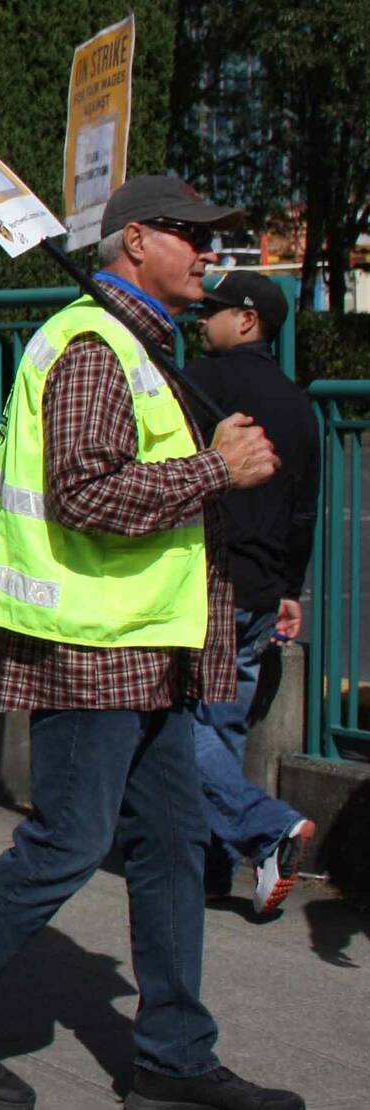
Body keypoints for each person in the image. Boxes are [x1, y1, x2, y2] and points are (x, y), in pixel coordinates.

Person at [0, 176, 300, 1110]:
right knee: (69, 842)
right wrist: (214, 468)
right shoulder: (93, 345)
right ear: (135, 240)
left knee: (175, 844)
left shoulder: (141, 345)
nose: (208, 253)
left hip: (145, 644)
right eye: (191, 235)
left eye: (212, 237)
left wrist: (205, 461)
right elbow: (85, 494)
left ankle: (174, 1059)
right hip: (87, 645)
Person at [183, 271, 321, 916]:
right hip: (265, 589)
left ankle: (267, 828)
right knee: (224, 724)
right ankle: (215, 867)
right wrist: (292, 588)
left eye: (212, 310)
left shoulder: (196, 383)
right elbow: (303, 511)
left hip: (207, 580)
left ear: (245, 319)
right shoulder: (298, 404)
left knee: (174, 720)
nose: (201, 318)